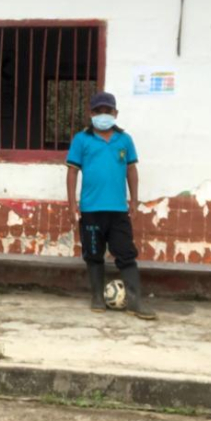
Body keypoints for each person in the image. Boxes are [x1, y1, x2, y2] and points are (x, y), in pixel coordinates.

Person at [67, 91, 156, 320]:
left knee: (126, 254)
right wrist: (71, 205)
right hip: (90, 211)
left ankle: (135, 302)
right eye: (98, 111)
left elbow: (131, 170)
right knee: (93, 254)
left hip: (118, 211)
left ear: (115, 113)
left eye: (108, 111)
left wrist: (134, 200)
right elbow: (72, 172)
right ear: (91, 114)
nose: (103, 115)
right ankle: (97, 297)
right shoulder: (81, 140)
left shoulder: (124, 140)